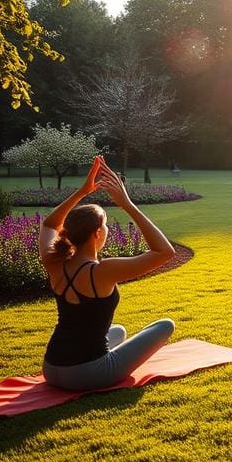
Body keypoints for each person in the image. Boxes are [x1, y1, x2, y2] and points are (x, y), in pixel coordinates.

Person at [39, 156, 176, 391]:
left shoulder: (54, 261)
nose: (108, 230)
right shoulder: (103, 271)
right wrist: (127, 204)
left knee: (119, 331)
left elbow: (50, 225)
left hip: (51, 368)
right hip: (88, 374)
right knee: (165, 326)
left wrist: (82, 192)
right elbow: (164, 252)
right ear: (95, 234)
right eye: (105, 226)